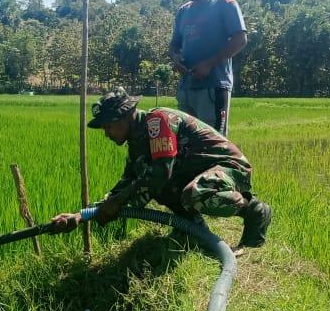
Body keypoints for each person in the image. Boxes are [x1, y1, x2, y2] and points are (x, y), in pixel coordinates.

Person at [50, 87, 272, 251]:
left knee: (192, 193)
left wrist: (119, 200)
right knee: (152, 187)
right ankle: (191, 228)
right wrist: (80, 216)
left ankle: (254, 210)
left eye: (110, 126)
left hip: (228, 167)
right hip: (199, 171)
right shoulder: (137, 145)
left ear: (128, 115)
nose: (107, 133)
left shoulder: (158, 122)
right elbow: (126, 186)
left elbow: (160, 173)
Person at [169, 0, 247, 136]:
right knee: (186, 146)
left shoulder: (225, 4)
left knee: (213, 146)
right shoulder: (183, 11)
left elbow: (240, 39)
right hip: (186, 88)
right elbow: (174, 45)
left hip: (213, 88)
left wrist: (209, 64)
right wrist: (175, 58)